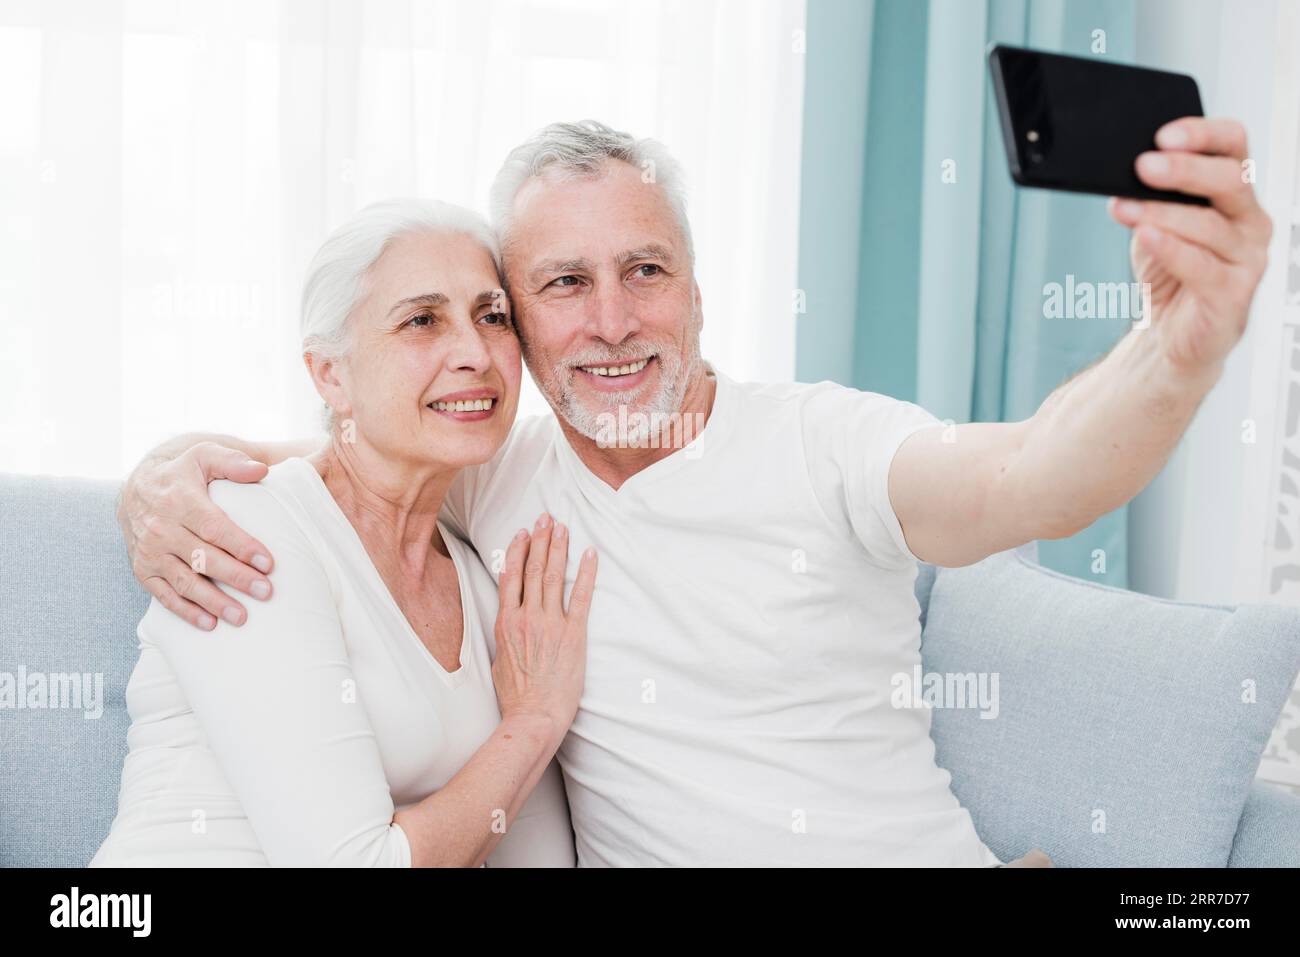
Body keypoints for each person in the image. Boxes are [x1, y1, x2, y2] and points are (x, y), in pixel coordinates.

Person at [117, 118, 1271, 866]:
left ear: (699, 291)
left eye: (645, 272)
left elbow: (1032, 479)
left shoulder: (826, 447)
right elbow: (347, 456)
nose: (611, 321)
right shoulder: (491, 475)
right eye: (563, 284)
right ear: (524, 325)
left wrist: (1177, 347)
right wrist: (159, 477)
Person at [93, 199, 596, 867]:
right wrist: (533, 722)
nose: (474, 353)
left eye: (491, 315)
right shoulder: (246, 531)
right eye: (422, 320)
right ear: (331, 374)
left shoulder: (483, 575)